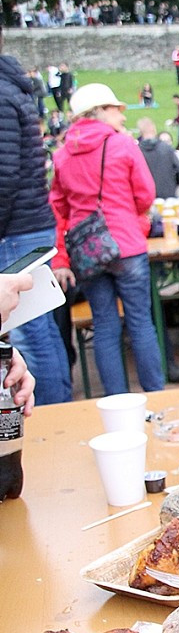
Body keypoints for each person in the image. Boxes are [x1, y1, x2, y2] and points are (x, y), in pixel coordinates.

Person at [49, 83, 164, 395]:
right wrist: (132, 216)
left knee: (105, 326)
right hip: (125, 242)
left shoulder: (61, 155)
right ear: (97, 112)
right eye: (115, 109)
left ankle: (115, 400)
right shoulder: (123, 145)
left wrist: (61, 255)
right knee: (140, 322)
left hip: (87, 249)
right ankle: (155, 395)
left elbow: (57, 207)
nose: (122, 116)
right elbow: (145, 195)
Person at [0, 24, 73, 404]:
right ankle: (55, 412)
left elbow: (3, 174)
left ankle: (50, 414)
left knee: (28, 334)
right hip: (24, 225)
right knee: (38, 332)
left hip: (15, 230)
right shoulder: (11, 86)